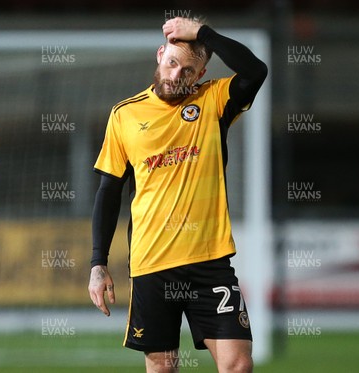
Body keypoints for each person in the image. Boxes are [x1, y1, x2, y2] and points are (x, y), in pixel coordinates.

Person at [88, 16, 267, 372]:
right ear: (159, 55)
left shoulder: (213, 102)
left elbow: (255, 71)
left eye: (188, 70)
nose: (176, 75)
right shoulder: (124, 115)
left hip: (210, 263)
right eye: (172, 63)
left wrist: (204, 34)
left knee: (238, 366)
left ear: (200, 75)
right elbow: (109, 191)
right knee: (164, 369)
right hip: (152, 265)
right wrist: (98, 262)